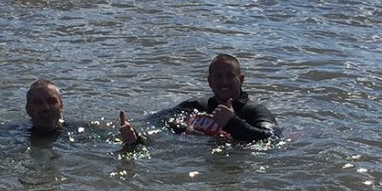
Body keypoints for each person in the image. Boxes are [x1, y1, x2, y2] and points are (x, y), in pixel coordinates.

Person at [119, 53, 279, 147]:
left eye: (230, 76)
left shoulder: (254, 111)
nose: (224, 82)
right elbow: (157, 121)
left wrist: (231, 122)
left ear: (241, 79)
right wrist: (185, 129)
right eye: (218, 76)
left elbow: (273, 138)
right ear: (209, 81)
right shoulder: (198, 106)